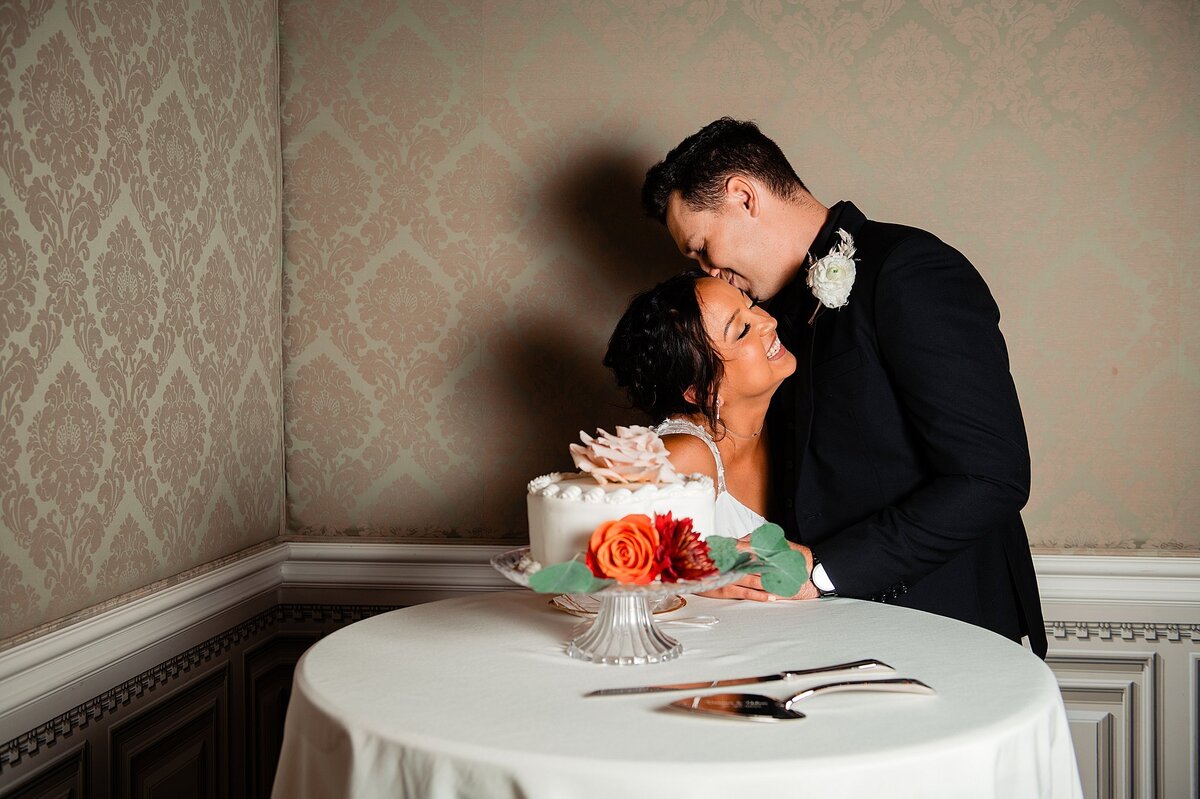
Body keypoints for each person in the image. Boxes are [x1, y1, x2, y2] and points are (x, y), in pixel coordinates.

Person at [639, 117, 1047, 656]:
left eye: (701, 247)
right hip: (827, 640)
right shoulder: (765, 321)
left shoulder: (908, 271)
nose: (708, 271)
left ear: (743, 196)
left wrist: (826, 571)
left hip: (950, 623)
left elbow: (991, 477)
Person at [604, 271, 797, 601]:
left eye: (751, 305)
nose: (768, 323)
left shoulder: (792, 420)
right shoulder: (683, 456)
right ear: (705, 392)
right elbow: (606, 564)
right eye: (742, 331)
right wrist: (689, 576)